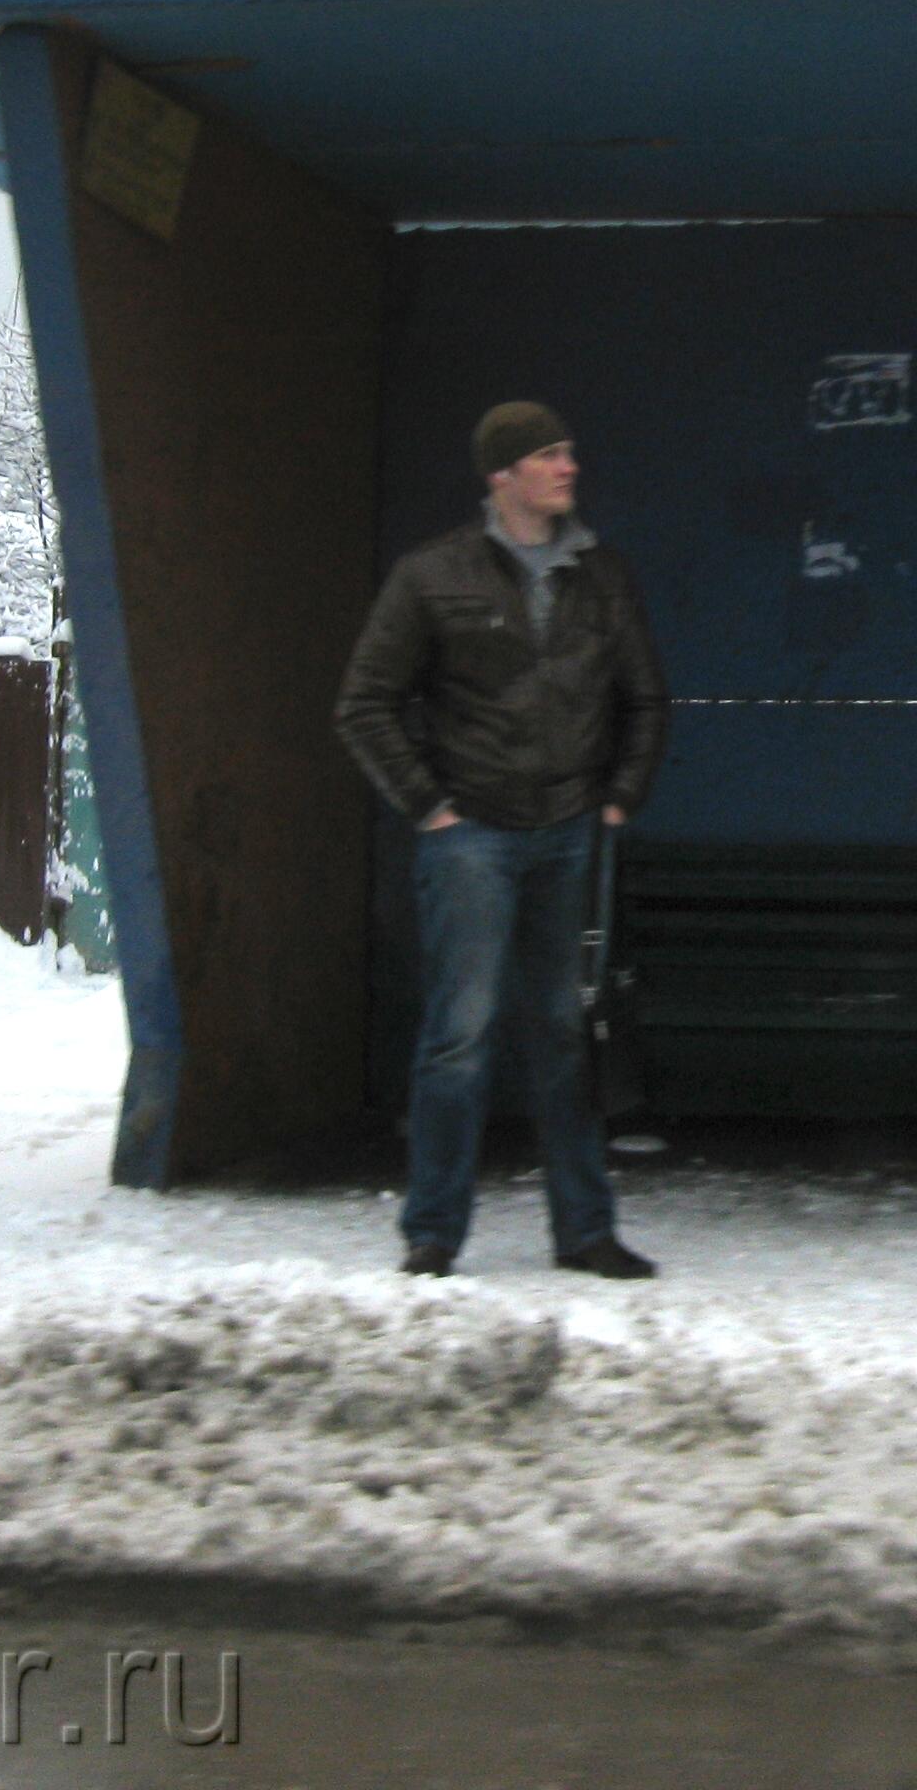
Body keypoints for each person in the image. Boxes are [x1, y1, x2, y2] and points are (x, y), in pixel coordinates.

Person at [334, 401, 668, 1280]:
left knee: (563, 1034)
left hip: (567, 833)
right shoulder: (432, 576)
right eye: (550, 455)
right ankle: (433, 1234)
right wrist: (429, 806)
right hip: (471, 836)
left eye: (568, 450)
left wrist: (619, 800)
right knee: (460, 1035)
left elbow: (646, 697)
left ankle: (585, 1232)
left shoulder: (602, 576)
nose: (569, 467)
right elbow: (364, 702)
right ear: (504, 474)